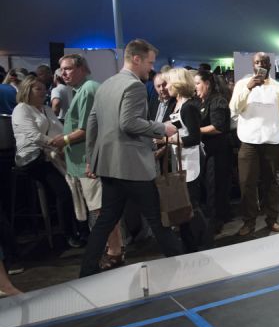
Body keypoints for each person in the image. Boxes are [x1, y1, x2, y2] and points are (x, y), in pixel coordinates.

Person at [80, 39, 183, 277]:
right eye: (149, 62)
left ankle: (87, 271)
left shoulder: (106, 85)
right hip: (132, 165)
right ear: (136, 59)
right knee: (158, 219)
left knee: (106, 219)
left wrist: (91, 159)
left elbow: (92, 124)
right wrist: (162, 128)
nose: (151, 68)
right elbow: (129, 123)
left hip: (109, 165)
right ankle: (181, 267)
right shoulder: (134, 86)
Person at [48, 54, 125, 270]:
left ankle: (115, 252)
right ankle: (113, 250)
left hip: (89, 161)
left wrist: (63, 140)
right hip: (85, 161)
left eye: (68, 68)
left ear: (82, 68)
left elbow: (87, 129)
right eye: (61, 70)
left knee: (102, 210)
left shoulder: (89, 88)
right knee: (100, 209)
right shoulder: (81, 90)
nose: (63, 73)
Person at [11, 77, 83, 248]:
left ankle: (82, 227)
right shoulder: (22, 110)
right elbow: (34, 136)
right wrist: (57, 145)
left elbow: (59, 128)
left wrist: (67, 142)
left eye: (44, 89)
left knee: (77, 180)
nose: (44, 92)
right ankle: (68, 234)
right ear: (27, 91)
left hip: (49, 153)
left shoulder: (45, 109)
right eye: (39, 89)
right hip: (32, 157)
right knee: (64, 190)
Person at [229, 52, 279, 237]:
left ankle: (272, 219)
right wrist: (248, 88)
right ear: (252, 65)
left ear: (270, 65)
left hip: (272, 142)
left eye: (264, 62)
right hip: (248, 143)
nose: (260, 65)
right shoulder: (242, 85)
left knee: (270, 183)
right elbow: (233, 109)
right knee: (246, 183)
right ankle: (249, 221)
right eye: (257, 62)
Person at [163, 68, 210, 252]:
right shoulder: (175, 105)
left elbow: (194, 137)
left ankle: (202, 240)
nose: (166, 87)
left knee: (192, 205)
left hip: (191, 161)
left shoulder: (189, 106)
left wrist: (172, 139)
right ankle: (188, 242)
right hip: (179, 159)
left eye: (168, 83)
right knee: (183, 204)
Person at [195, 69, 233, 233]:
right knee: (209, 185)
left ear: (207, 84)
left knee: (216, 185)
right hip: (208, 151)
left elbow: (218, 127)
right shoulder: (201, 102)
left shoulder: (218, 101)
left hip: (218, 152)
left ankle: (216, 220)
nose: (195, 87)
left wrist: (196, 130)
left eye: (197, 83)